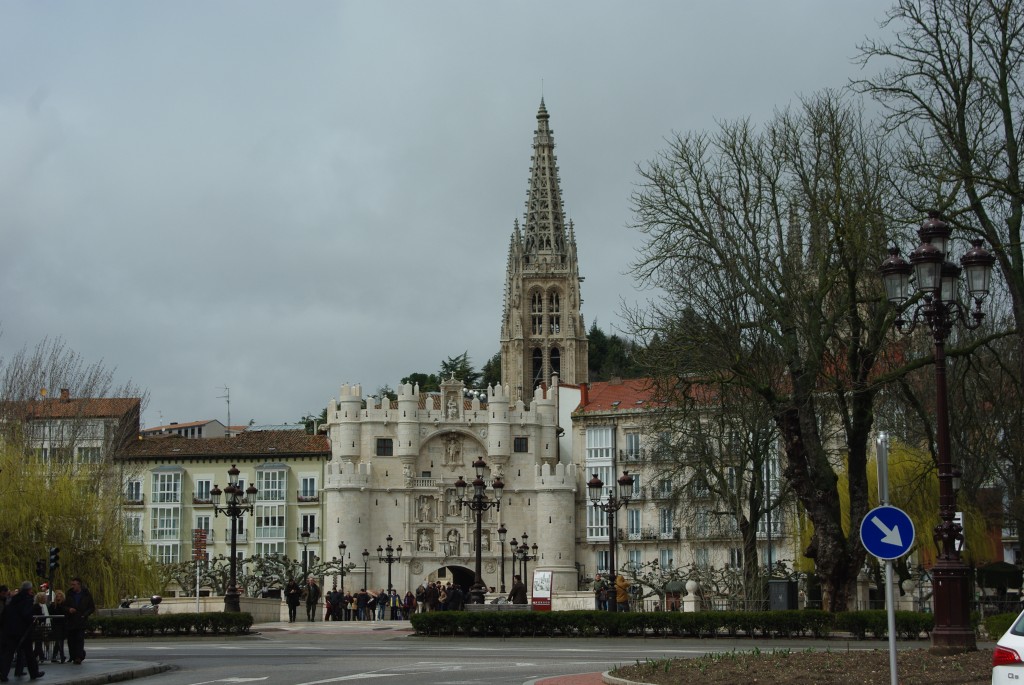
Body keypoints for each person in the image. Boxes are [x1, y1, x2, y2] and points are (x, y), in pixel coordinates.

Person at [0, 581, 44, 681]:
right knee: (29, 652)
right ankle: (34, 673)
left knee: (9, 652)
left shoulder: (14, 598)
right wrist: (32, 617)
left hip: (10, 629)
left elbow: (6, 613)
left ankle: (4, 674)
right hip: (22, 630)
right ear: (29, 589)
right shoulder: (27, 599)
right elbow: (26, 614)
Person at [65, 577, 94, 665]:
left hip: (81, 620)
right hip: (71, 620)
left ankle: (78, 657)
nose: (72, 586)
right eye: (72, 584)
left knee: (79, 639)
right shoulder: (69, 593)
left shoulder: (86, 594)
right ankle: (75, 655)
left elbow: (91, 607)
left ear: (79, 585)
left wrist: (85, 614)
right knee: (71, 640)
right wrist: (69, 609)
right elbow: (64, 606)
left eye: (74, 584)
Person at [47, 592, 66, 664]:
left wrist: (60, 604)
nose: (58, 598)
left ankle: (55, 656)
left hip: (63, 624)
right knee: (59, 640)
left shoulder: (64, 604)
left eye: (60, 596)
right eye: (57, 596)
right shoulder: (53, 605)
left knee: (59, 641)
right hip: (56, 624)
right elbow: (50, 612)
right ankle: (61, 656)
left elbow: (64, 611)